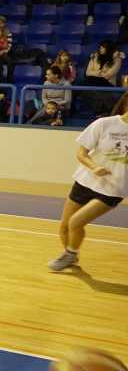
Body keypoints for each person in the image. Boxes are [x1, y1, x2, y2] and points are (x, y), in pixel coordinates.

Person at [47, 92, 128, 272]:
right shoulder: (104, 124)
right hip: (86, 181)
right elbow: (81, 153)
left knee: (76, 222)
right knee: (64, 227)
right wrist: (94, 167)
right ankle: (71, 254)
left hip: (113, 188)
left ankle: (70, 254)